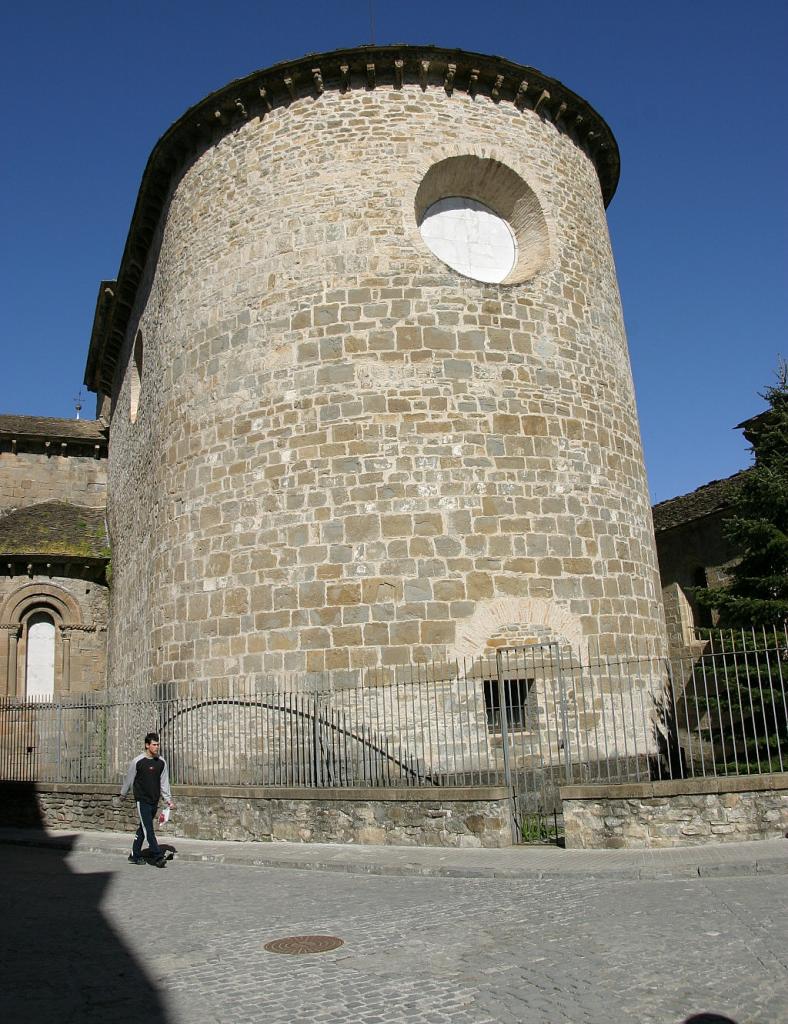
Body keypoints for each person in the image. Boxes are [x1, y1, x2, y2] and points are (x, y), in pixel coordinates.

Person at [120, 732, 175, 867]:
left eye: (158, 744)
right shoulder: (138, 761)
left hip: (154, 800)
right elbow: (129, 779)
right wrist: (123, 794)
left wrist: (168, 799)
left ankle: (134, 855)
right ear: (147, 745)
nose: (157, 747)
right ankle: (157, 857)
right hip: (142, 800)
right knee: (148, 829)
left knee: (143, 828)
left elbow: (164, 782)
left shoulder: (161, 762)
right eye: (154, 744)